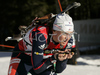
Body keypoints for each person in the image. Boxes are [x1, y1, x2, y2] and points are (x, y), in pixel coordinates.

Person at [8, 13, 75, 75]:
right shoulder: (41, 36)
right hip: (23, 57)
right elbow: (37, 68)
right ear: (54, 30)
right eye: (64, 33)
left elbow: (59, 70)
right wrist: (53, 58)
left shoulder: (68, 41)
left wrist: (63, 59)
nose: (68, 37)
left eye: (70, 33)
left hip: (42, 61)